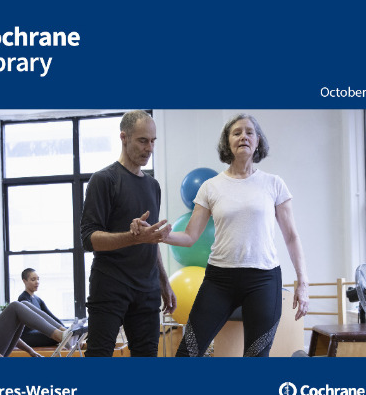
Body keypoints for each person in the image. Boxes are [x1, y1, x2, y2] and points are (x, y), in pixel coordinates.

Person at [132, 113, 310, 357]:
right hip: (220, 280)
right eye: (237, 133)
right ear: (228, 142)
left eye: (249, 132)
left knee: (257, 358)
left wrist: (303, 283)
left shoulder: (274, 184)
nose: (243, 136)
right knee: (188, 352)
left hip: (264, 279)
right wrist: (159, 235)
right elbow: (190, 236)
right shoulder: (211, 187)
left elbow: (291, 237)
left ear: (258, 141)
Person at [80, 110, 176, 357]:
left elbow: (151, 239)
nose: (149, 148)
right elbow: (89, 239)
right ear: (123, 137)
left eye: (153, 141)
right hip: (110, 285)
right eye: (143, 141)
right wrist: (132, 237)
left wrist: (164, 281)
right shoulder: (104, 180)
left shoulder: (153, 185)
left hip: (147, 289)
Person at [18, 268, 65, 347]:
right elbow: (35, 320)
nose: (37, 282)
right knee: (57, 336)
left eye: (38, 279)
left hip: (38, 332)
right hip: (28, 336)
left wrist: (65, 329)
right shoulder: (23, 299)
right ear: (24, 281)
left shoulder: (37, 299)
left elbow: (50, 316)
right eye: (33, 280)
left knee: (68, 332)